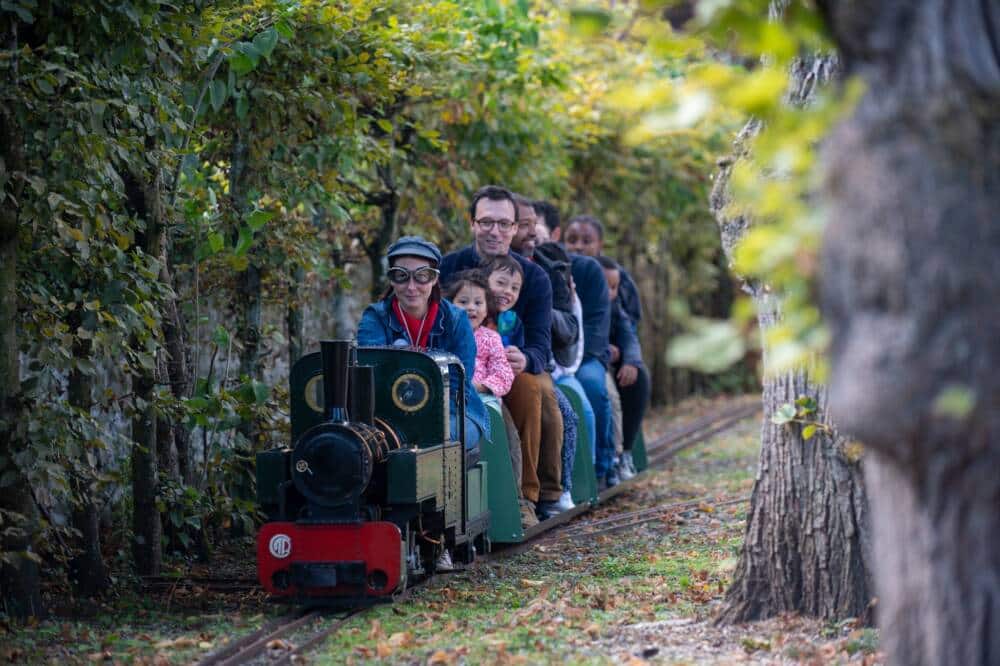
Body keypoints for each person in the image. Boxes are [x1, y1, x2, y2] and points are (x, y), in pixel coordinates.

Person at [440, 186, 564, 523]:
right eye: (487, 222)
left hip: (509, 362)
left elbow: (540, 342)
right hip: (456, 365)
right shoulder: (449, 267)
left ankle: (526, 497)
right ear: (472, 224)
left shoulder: (534, 277)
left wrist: (526, 359)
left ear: (515, 228)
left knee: (530, 388)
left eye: (504, 224)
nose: (495, 231)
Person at [356, 236, 488, 453]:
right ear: (391, 279)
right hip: (388, 414)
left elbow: (459, 382)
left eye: (421, 277)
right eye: (401, 276)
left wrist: (421, 415)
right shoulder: (375, 317)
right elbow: (372, 373)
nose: (411, 287)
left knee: (434, 436)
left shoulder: (456, 319)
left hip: (453, 411)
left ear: (435, 279)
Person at [536, 203, 617, 488]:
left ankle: (604, 464)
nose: (578, 247)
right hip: (548, 355)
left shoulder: (588, 269)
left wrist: (576, 360)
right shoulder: (526, 268)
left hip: (584, 354)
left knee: (593, 385)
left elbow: (595, 323)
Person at [444, 270, 524, 493]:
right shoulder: (445, 336)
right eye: (463, 301)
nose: (471, 307)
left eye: (478, 302)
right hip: (451, 398)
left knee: (508, 433)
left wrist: (479, 386)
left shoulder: (490, 338)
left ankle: (514, 495)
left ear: (487, 308)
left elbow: (503, 373)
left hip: (484, 397)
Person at [598, 255, 651, 479]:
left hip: (606, 363)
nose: (611, 293)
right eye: (606, 286)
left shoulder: (613, 306)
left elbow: (627, 332)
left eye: (614, 288)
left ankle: (624, 452)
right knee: (608, 396)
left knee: (637, 378)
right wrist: (604, 350)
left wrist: (631, 361)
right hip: (588, 362)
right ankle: (613, 457)